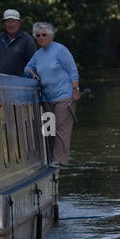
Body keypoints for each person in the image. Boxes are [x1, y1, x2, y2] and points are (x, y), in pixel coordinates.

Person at [24, 22, 79, 166]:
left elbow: (72, 70)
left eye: (44, 35)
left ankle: (59, 160)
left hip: (64, 96)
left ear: (50, 35)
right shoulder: (38, 54)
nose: (41, 38)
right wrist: (32, 73)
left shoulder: (60, 50)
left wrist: (75, 89)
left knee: (61, 128)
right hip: (47, 97)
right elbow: (27, 67)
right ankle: (49, 159)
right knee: (48, 130)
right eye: (38, 35)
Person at [0, 9, 37, 77]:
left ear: (19, 23)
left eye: (13, 21)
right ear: (4, 24)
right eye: (8, 22)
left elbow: (34, 64)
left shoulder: (27, 40)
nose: (10, 24)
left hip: (18, 83)